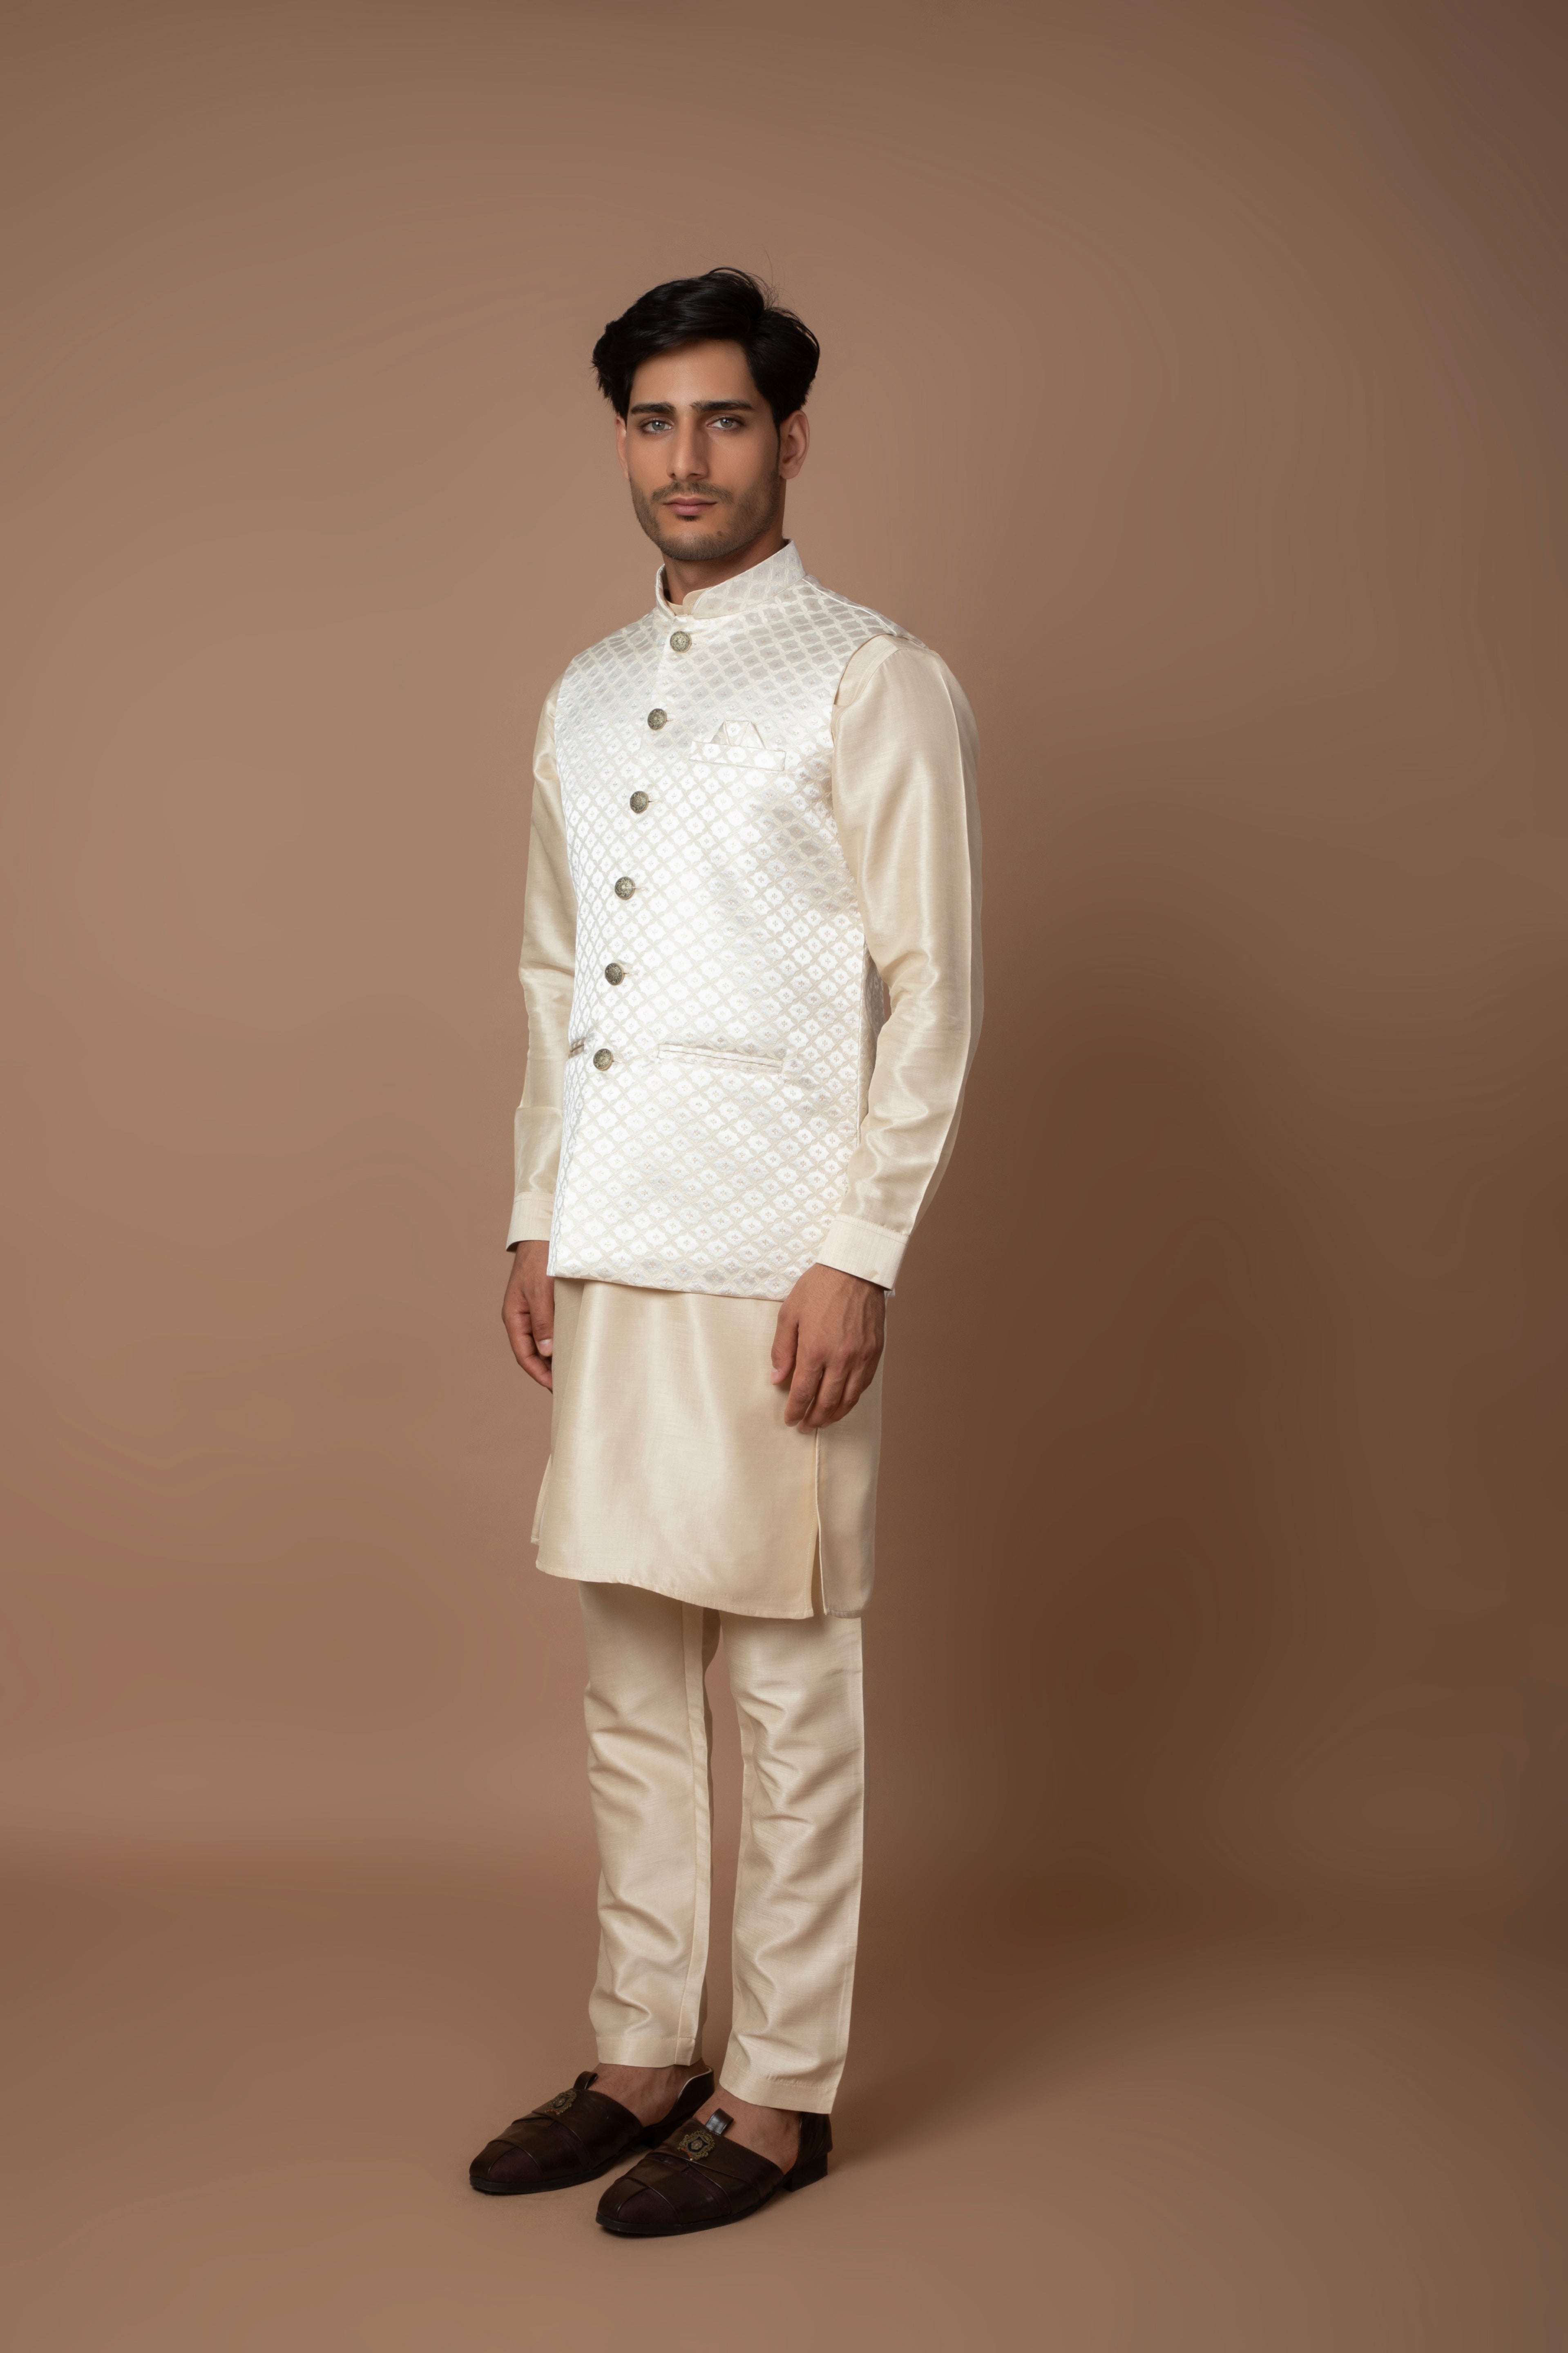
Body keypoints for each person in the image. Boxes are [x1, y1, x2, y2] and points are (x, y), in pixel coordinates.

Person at [468, 267, 982, 2237]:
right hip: (614, 1236)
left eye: (727, 419)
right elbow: (552, 976)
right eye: (655, 420)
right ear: (624, 441)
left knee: (784, 1683)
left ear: (789, 438)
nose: (688, 457)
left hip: (779, 1255)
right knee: (630, 1674)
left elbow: (933, 990)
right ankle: (639, 2052)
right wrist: (537, 1210)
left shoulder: (874, 677)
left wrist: (862, 1247)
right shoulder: (587, 689)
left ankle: (777, 2093)